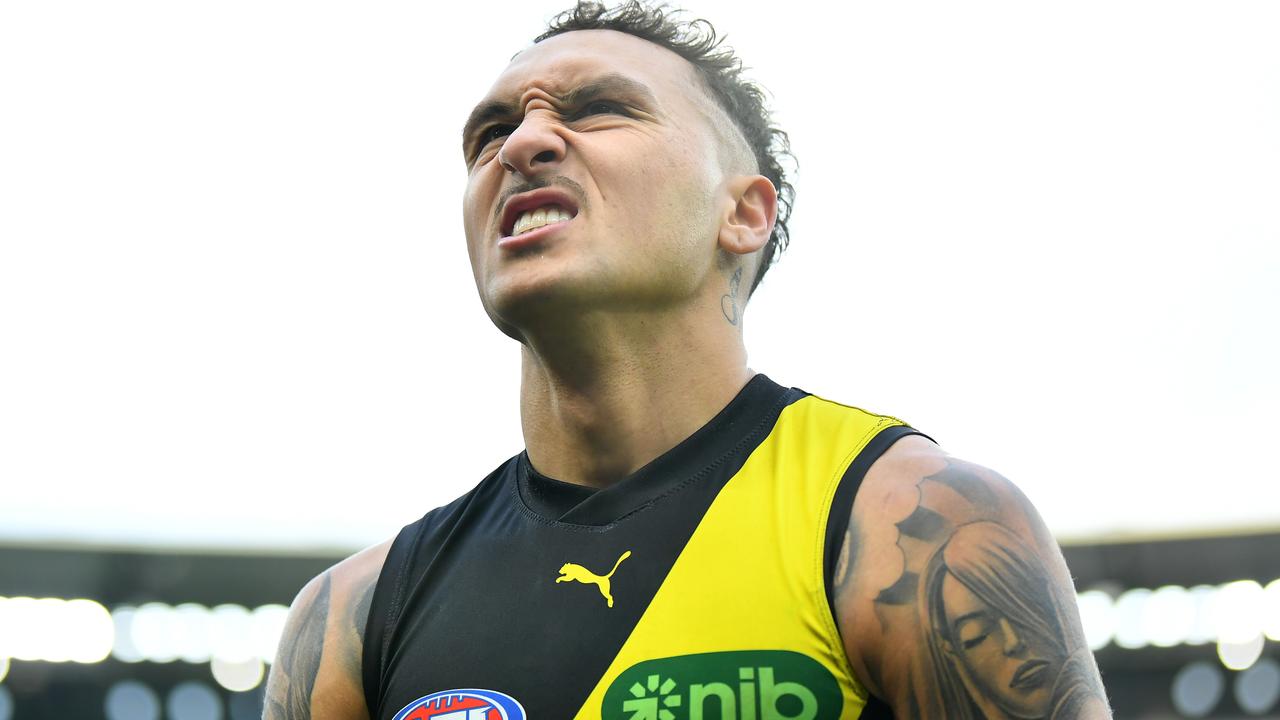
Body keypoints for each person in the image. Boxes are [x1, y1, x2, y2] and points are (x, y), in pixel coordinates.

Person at [263, 2, 1111, 718]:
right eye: (490, 132)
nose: (521, 145)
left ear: (743, 212)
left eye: (597, 109)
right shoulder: (350, 618)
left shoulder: (912, 527)